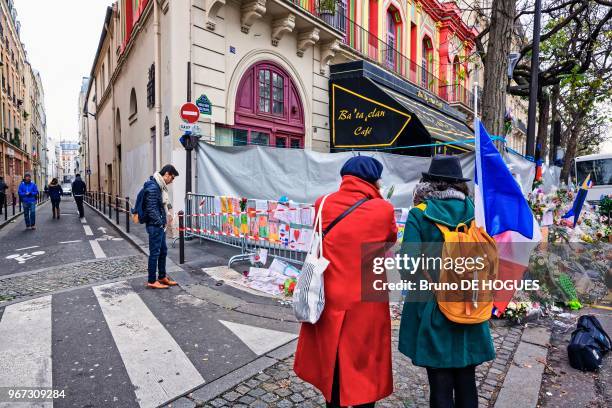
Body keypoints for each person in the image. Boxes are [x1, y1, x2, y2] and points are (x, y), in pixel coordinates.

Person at [294, 156, 398, 408]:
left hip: (329, 293)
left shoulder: (323, 203)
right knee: (366, 361)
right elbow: (390, 239)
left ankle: (334, 401)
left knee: (332, 355)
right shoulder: (383, 209)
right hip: (366, 300)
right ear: (374, 180)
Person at [398, 156, 495, 408]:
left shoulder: (419, 214)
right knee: (466, 379)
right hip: (471, 303)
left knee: (440, 384)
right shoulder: (474, 211)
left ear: (428, 183)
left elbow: (407, 267)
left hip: (434, 308)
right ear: (459, 184)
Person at [143, 164, 179, 289]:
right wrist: (160, 222)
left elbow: (162, 204)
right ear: (167, 174)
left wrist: (165, 218)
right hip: (155, 226)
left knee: (163, 251)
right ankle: (152, 280)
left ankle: (162, 276)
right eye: (172, 178)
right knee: (155, 253)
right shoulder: (154, 187)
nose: (172, 181)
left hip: (159, 226)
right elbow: (151, 209)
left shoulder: (160, 186)